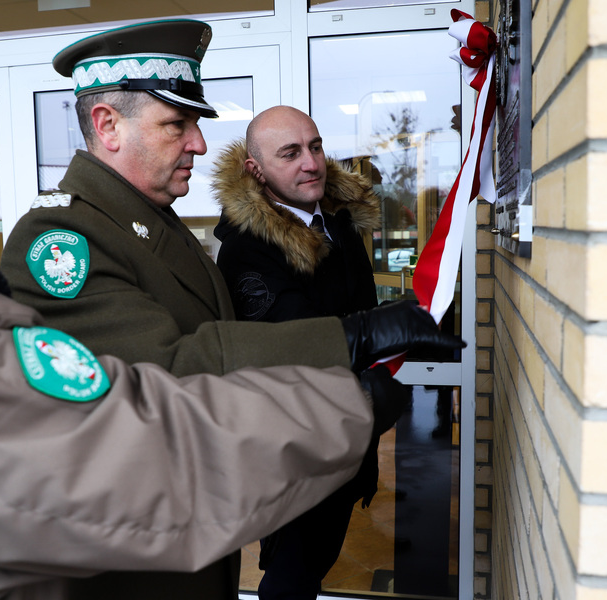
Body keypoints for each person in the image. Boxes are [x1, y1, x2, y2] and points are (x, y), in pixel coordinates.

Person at [0, 3, 462, 599]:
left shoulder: (161, 227)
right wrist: (346, 346)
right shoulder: (62, 240)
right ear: (108, 125)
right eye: (176, 124)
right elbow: (167, 373)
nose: (197, 143)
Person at [212, 105, 383, 600]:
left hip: (346, 436)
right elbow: (299, 341)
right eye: (290, 153)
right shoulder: (248, 247)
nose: (311, 163)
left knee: (313, 568)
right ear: (255, 169)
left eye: (315, 146)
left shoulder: (338, 226)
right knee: (290, 578)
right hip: (295, 453)